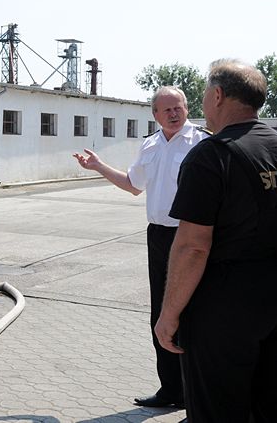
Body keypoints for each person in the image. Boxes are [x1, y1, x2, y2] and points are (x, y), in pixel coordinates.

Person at [155, 60, 277, 423]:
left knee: (218, 411)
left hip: (229, 310)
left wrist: (169, 314)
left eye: (206, 93)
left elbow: (193, 246)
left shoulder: (211, 155)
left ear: (218, 95)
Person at [73, 86, 208, 412]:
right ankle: (171, 389)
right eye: (167, 110)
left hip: (190, 236)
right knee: (159, 312)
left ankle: (197, 394)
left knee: (193, 314)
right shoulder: (149, 144)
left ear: (187, 109)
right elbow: (134, 186)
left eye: (179, 108)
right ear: (155, 115)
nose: (174, 114)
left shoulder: (203, 143)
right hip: (158, 236)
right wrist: (100, 166)